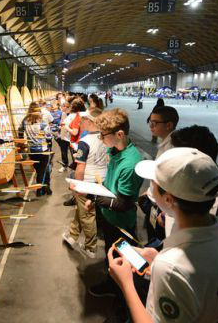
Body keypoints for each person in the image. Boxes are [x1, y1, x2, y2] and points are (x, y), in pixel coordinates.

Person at [109, 148, 218, 323]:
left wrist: (125, 283)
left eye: (153, 182)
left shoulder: (172, 267)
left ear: (168, 199)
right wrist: (157, 257)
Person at [85, 108, 144, 297]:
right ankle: (115, 284)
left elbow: (124, 204)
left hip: (121, 225)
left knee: (123, 261)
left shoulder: (129, 164)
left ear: (119, 134)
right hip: (109, 218)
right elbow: (109, 185)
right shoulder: (115, 150)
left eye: (103, 135)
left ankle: (122, 296)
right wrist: (94, 196)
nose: (101, 139)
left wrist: (94, 197)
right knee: (112, 254)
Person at [63, 107, 109, 259]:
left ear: (90, 121)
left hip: (87, 181)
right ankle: (72, 235)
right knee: (82, 210)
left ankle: (90, 247)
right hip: (102, 180)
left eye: (83, 119)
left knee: (87, 215)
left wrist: (77, 184)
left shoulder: (85, 141)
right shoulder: (105, 138)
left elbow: (80, 167)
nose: (81, 121)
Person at [142, 106, 179, 241]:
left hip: (162, 207)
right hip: (155, 201)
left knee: (157, 241)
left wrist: (165, 211)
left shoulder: (172, 148)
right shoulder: (165, 143)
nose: (150, 127)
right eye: (150, 122)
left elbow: (173, 181)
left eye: (154, 123)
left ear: (168, 125)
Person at [21, 102, 52, 196]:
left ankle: (47, 187)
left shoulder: (25, 121)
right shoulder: (42, 122)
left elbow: (20, 132)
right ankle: (40, 189)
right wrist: (49, 144)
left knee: (41, 170)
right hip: (43, 150)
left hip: (32, 150)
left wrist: (25, 143)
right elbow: (48, 136)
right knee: (42, 170)